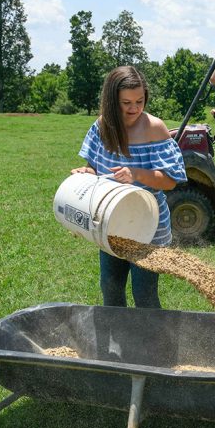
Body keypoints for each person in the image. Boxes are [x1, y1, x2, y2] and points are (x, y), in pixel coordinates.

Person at [72, 65, 186, 308]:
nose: (134, 108)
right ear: (112, 101)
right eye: (126, 103)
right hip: (110, 224)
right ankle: (121, 342)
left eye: (140, 101)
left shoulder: (154, 128)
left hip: (147, 226)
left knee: (144, 294)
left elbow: (170, 180)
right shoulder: (102, 126)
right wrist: (86, 172)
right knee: (110, 289)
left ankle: (152, 344)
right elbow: (95, 166)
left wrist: (136, 174)